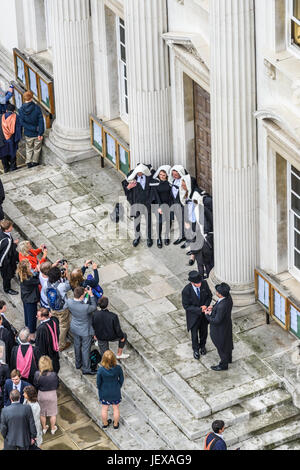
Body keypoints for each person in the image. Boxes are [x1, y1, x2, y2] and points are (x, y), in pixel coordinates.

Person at [66, 286, 98, 375]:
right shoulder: (85, 307)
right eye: (83, 295)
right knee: (85, 349)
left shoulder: (69, 302)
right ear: (81, 296)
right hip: (84, 330)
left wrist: (85, 296)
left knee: (77, 345)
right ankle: (86, 368)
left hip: (75, 327)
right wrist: (91, 295)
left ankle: (78, 363)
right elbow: (94, 307)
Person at [122, 163, 155, 248]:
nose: (139, 174)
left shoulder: (149, 177)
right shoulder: (132, 177)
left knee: (148, 221)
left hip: (147, 203)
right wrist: (129, 187)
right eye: (138, 172)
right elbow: (126, 188)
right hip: (137, 202)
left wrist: (151, 200)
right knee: (137, 220)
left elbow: (154, 188)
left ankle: (149, 238)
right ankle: (137, 237)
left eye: (141, 172)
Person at [181, 271, 212, 360]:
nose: (199, 284)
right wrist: (199, 309)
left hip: (203, 316)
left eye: (200, 282)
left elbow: (209, 296)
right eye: (197, 283)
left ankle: (202, 346)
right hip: (193, 316)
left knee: (204, 332)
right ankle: (195, 349)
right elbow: (186, 306)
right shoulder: (186, 291)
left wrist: (205, 305)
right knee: (194, 335)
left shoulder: (204, 284)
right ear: (192, 283)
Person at [41, 265, 72, 352]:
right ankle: (61, 344)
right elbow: (70, 284)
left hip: (52, 308)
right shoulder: (62, 286)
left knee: (54, 323)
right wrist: (67, 273)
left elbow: (44, 293)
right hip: (62, 309)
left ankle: (53, 339)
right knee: (63, 325)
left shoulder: (45, 284)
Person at [205, 283, 233, 371]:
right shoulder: (228, 298)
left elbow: (217, 320)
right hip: (227, 325)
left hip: (219, 330)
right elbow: (218, 305)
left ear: (220, 294)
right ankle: (229, 358)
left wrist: (207, 315)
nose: (216, 292)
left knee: (221, 347)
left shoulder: (222, 306)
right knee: (227, 343)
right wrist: (213, 308)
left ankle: (223, 365)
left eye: (217, 291)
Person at [97, 350, 124, 430]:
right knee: (116, 408)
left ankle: (105, 423)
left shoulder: (101, 370)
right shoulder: (118, 368)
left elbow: (98, 382)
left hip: (104, 391)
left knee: (104, 408)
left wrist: (100, 389)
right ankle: (115, 424)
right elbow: (121, 379)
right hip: (115, 390)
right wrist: (118, 385)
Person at [18, 90, 44, 169]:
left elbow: (22, 123)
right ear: (32, 98)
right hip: (37, 133)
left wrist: (31, 128)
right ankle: (35, 162)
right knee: (37, 148)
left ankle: (29, 162)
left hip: (28, 133)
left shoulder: (21, 110)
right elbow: (41, 122)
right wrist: (40, 132)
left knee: (29, 148)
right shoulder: (37, 108)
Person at [34, 356, 59, 435]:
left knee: (42, 413)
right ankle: (52, 428)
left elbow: (35, 385)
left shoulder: (37, 374)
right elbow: (57, 385)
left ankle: (44, 428)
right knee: (52, 413)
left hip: (41, 394)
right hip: (51, 395)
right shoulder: (54, 374)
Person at [17, 259, 40, 342]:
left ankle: (27, 329)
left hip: (25, 298)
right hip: (30, 299)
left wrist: (35, 272)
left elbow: (32, 275)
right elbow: (38, 281)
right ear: (26, 269)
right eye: (29, 265)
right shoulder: (28, 279)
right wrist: (39, 271)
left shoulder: (21, 275)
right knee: (32, 318)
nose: (31, 266)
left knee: (27, 315)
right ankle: (32, 336)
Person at [151, 165, 172, 248]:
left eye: (163, 175)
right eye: (160, 175)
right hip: (159, 204)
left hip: (168, 204)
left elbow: (171, 195)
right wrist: (159, 207)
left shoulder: (169, 183)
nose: (162, 176)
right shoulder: (156, 183)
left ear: (166, 175)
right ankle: (159, 238)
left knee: (168, 220)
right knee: (160, 221)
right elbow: (156, 196)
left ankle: (167, 235)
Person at [35, 308, 60, 373]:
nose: (36, 317)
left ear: (43, 317)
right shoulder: (55, 321)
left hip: (47, 352)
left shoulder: (41, 329)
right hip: (55, 349)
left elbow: (40, 345)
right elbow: (53, 317)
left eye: (38, 316)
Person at [0, 102, 22, 172]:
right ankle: (13, 168)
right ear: (14, 111)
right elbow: (19, 130)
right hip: (12, 140)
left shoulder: (0, 117)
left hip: (2, 140)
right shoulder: (16, 117)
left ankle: (6, 168)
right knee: (12, 153)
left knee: (3, 154)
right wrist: (17, 140)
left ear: (6, 110)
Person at [0, 219, 19, 295]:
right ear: (7, 229)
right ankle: (7, 289)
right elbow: (5, 254)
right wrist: (14, 244)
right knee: (7, 276)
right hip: (5, 262)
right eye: (11, 227)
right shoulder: (7, 241)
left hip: (9, 257)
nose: (12, 227)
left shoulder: (2, 232)